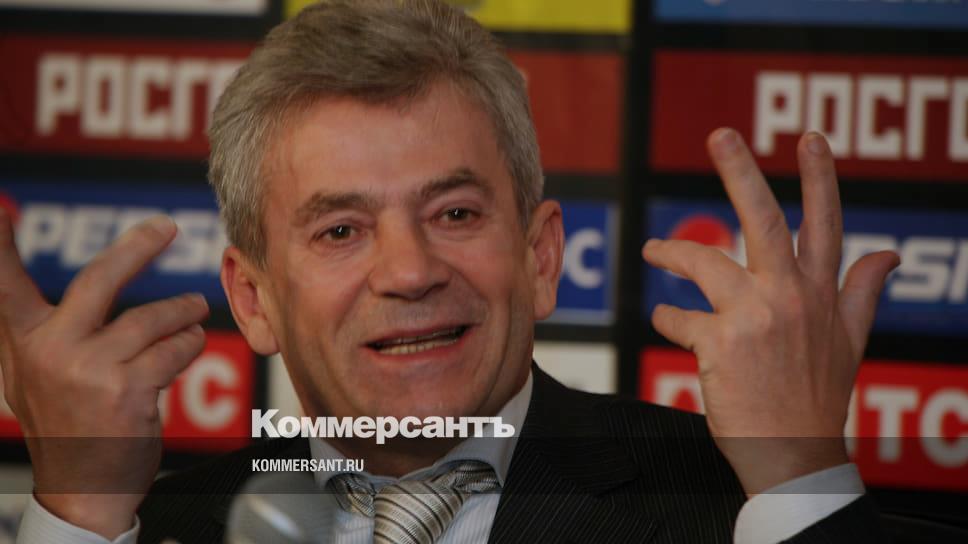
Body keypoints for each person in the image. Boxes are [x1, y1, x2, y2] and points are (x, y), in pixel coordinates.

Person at [2, 1, 900, 542]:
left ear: (540, 257)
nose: (409, 271)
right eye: (341, 229)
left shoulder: (735, 501)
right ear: (253, 299)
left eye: (456, 214)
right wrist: (78, 512)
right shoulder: (148, 528)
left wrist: (799, 479)